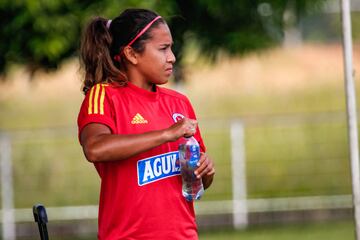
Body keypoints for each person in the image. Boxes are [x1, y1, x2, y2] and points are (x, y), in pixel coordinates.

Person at [77, 8, 215, 240]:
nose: (172, 56)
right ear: (131, 53)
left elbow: (197, 183)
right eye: (163, 49)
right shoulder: (104, 96)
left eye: (171, 48)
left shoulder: (179, 103)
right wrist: (165, 135)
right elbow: (95, 147)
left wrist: (205, 171)